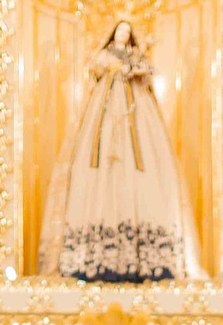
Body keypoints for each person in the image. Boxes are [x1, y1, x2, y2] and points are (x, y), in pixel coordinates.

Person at [37, 22, 201, 283]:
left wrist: (136, 68)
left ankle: (144, 257)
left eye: (127, 31)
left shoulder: (137, 58)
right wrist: (117, 69)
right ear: (113, 33)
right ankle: (94, 255)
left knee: (141, 168)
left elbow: (148, 73)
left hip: (136, 119)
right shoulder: (106, 57)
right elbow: (95, 68)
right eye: (120, 30)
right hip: (104, 119)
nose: (123, 35)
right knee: (99, 169)